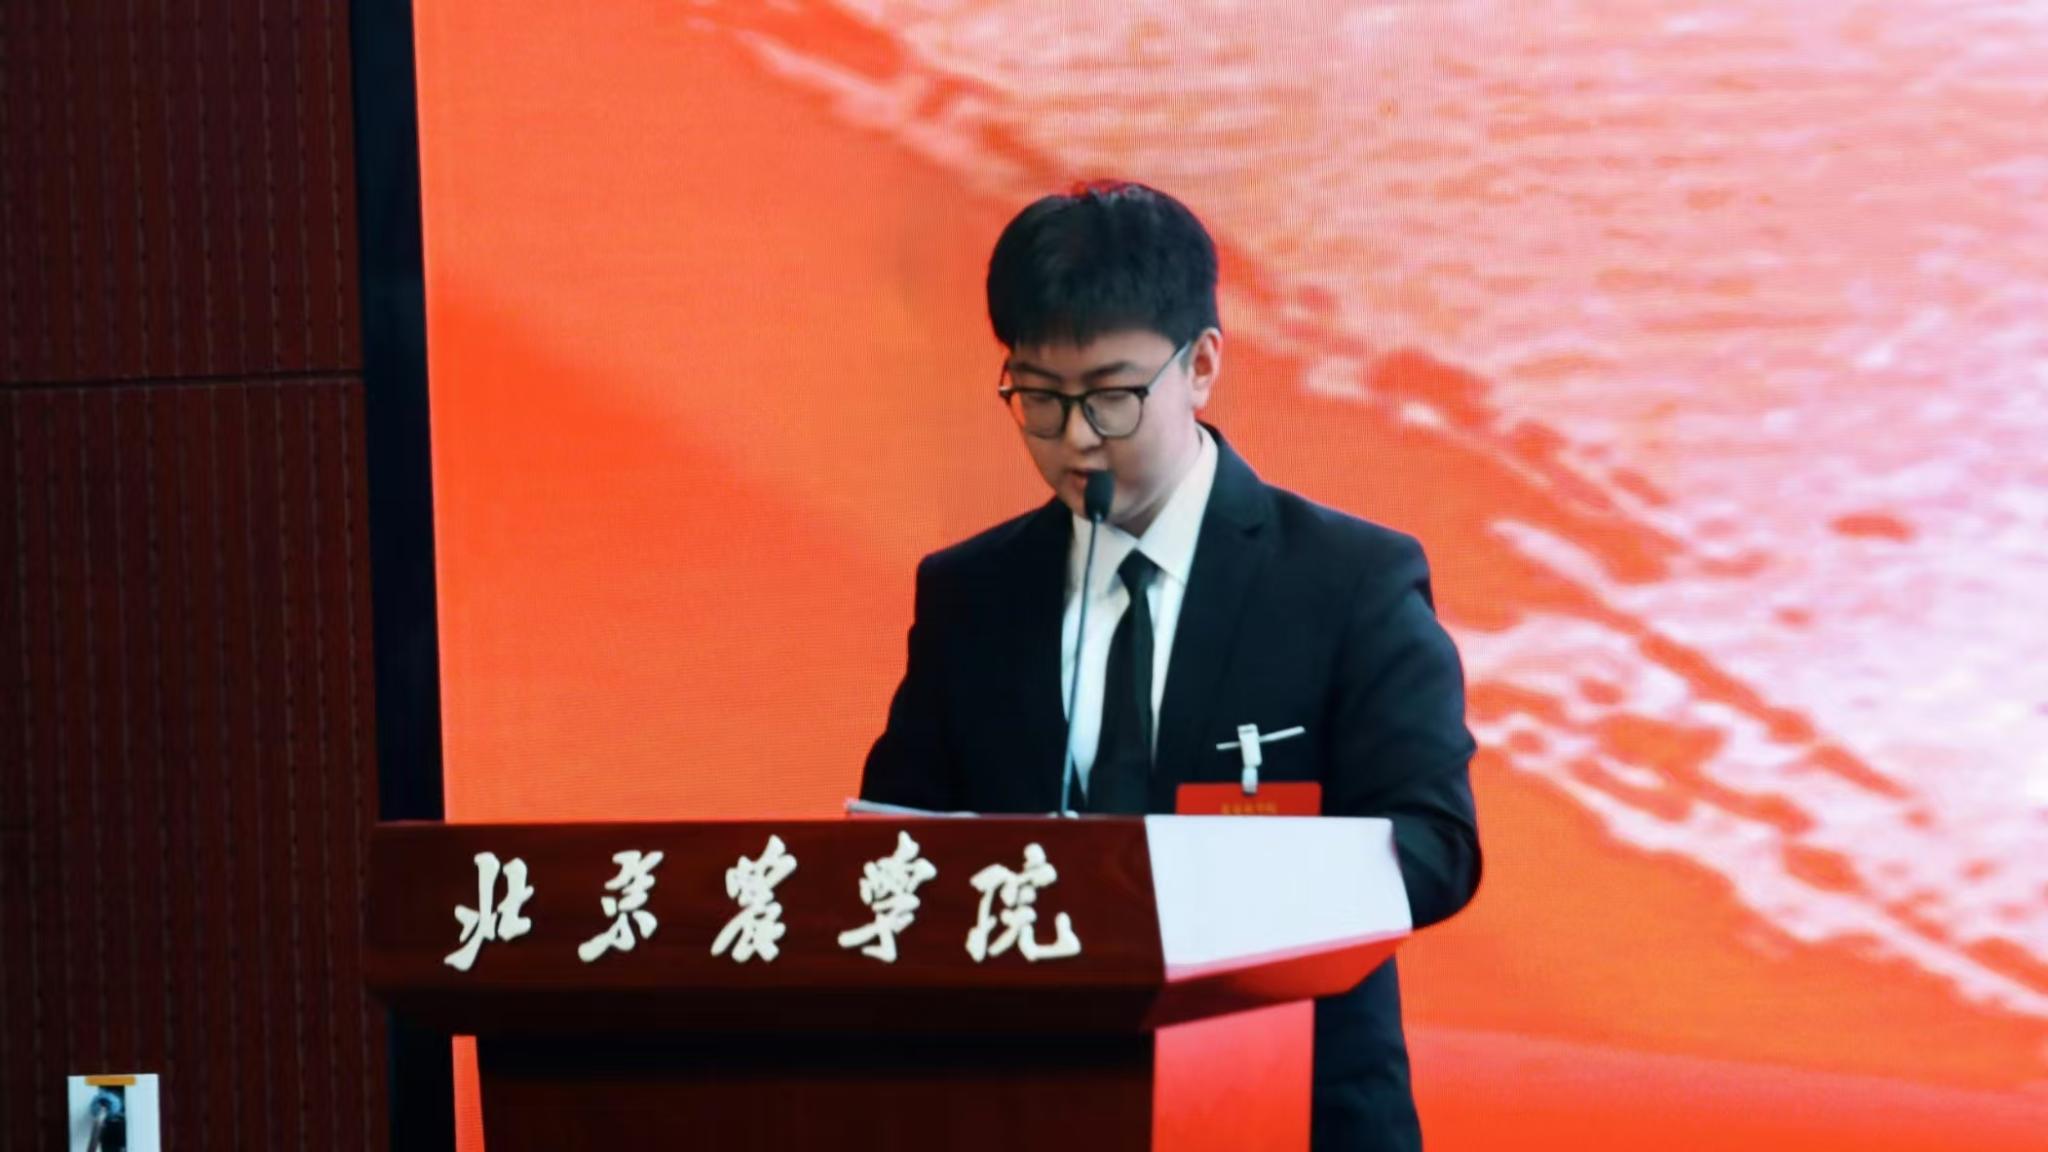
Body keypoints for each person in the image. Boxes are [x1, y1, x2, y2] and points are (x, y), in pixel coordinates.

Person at [860, 180, 1482, 1151]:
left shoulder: (1348, 581)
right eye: (1038, 397)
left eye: (1111, 396)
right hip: (1029, 1110)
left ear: (1200, 366)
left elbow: (1436, 845)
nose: (1075, 438)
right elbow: (893, 851)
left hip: (1289, 1108)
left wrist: (1210, 891)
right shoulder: (970, 595)